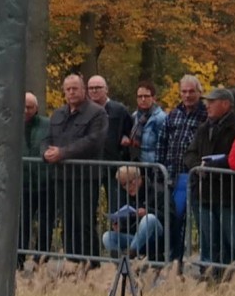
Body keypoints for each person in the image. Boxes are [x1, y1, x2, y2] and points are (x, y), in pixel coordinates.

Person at [41, 72, 107, 260]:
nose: (71, 92)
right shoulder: (58, 114)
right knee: (68, 223)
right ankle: (72, 262)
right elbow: (46, 138)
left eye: (75, 88)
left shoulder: (97, 113)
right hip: (62, 177)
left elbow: (93, 141)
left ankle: (90, 265)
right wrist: (45, 153)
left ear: (83, 90)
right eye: (68, 89)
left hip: (85, 177)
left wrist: (62, 153)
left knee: (84, 223)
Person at [188, 86, 235, 270]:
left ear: (225, 104)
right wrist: (198, 165)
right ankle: (211, 277)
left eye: (212, 102)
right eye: (207, 102)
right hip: (204, 192)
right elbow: (190, 153)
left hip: (228, 193)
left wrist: (214, 166)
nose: (207, 105)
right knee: (209, 240)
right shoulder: (204, 128)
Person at [154, 74, 207, 262]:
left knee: (200, 222)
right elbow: (162, 141)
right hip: (172, 174)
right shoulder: (173, 114)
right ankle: (175, 263)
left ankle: (205, 263)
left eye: (191, 91)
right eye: (184, 91)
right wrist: (160, 170)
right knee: (174, 220)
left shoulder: (206, 114)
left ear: (199, 92)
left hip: (194, 176)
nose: (187, 95)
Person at [102, 164, 164, 262]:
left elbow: (170, 216)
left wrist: (147, 211)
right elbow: (122, 217)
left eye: (130, 182)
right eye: (123, 184)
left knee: (149, 218)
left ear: (139, 178)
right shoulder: (123, 195)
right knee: (107, 236)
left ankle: (129, 257)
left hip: (155, 236)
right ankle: (121, 264)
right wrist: (118, 224)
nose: (128, 187)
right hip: (134, 236)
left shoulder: (156, 190)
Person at [19, 92, 52, 257]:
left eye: (29, 107)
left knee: (46, 222)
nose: (26, 110)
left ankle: (42, 258)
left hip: (44, 181)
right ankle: (18, 258)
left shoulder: (48, 125)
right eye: (23, 106)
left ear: (36, 108)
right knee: (22, 223)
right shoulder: (12, 124)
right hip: (22, 183)